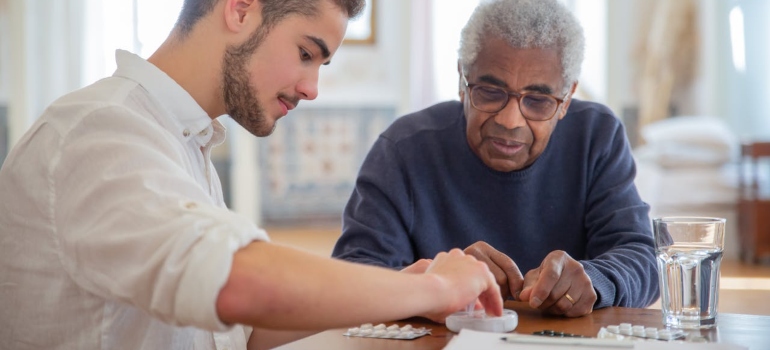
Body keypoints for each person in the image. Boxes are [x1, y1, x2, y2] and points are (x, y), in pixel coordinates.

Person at [0, 1, 504, 349]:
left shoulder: (180, 142)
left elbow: (233, 330)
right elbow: (237, 283)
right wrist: (434, 290)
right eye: (307, 54)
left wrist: (392, 285)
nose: (312, 89)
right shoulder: (99, 131)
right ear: (241, 10)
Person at [333, 0, 659, 318]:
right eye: (490, 92)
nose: (510, 121)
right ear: (462, 80)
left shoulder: (596, 137)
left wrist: (595, 279)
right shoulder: (403, 149)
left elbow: (643, 257)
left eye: (538, 100)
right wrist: (436, 281)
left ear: (566, 99)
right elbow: (352, 277)